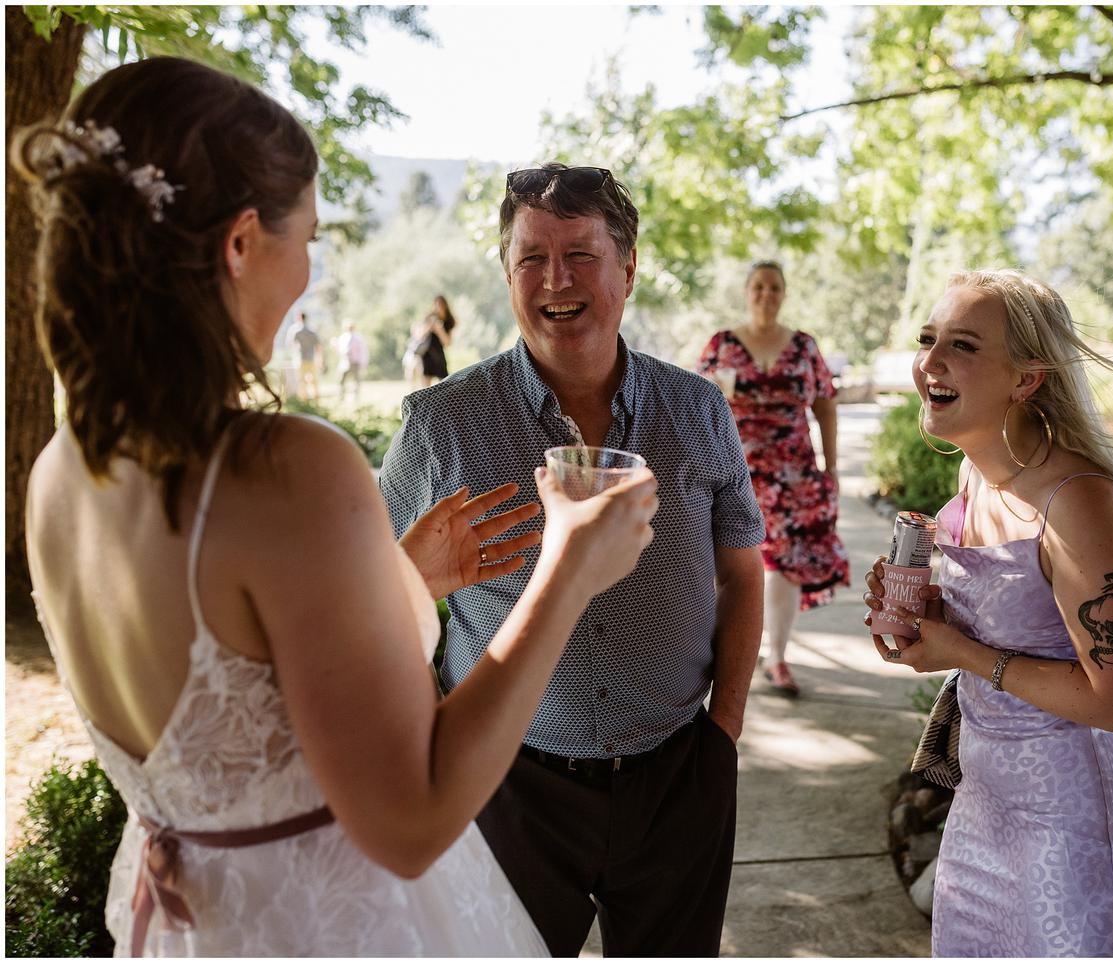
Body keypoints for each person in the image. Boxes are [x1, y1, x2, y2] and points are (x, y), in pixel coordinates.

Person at [15, 57, 659, 957]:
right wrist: (567, 568)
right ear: (240, 243)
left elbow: (232, 695)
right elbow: (411, 818)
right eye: (306, 238)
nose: (310, 273)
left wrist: (401, 578)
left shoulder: (57, 472)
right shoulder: (287, 471)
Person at [379, 162, 765, 957]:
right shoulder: (439, 426)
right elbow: (375, 596)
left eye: (580, 254)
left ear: (628, 266)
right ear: (507, 272)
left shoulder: (697, 411)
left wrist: (721, 733)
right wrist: (429, 731)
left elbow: (741, 572)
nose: (555, 279)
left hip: (676, 777)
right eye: (531, 257)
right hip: (504, 785)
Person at [864, 269, 1113, 956]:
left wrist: (964, 653)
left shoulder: (1081, 501)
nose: (930, 361)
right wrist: (930, 613)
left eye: (964, 345)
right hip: (984, 812)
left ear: (1027, 378)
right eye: (928, 338)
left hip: (1078, 836)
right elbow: (1020, 617)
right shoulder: (977, 474)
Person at [697, 260, 849, 697]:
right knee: (723, 562)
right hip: (732, 469)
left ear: (784, 294)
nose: (767, 294)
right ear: (747, 291)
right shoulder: (721, 344)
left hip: (792, 474)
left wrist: (832, 466)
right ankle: (717, 655)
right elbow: (698, 404)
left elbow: (825, 404)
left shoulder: (804, 346)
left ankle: (776, 658)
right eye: (759, 286)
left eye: (775, 287)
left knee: (785, 566)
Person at [404, 295, 456, 387]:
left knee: (444, 381)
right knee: (425, 384)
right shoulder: (429, 317)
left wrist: (440, 330)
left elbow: (447, 343)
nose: (438, 307)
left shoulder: (449, 321)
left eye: (441, 305)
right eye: (436, 304)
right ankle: (427, 400)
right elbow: (418, 336)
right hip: (427, 354)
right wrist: (429, 327)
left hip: (439, 354)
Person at [285, 311, 323, 402]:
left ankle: (304, 400)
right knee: (314, 380)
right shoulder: (312, 331)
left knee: (301, 380)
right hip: (311, 359)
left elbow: (290, 343)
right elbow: (318, 346)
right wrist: (320, 359)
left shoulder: (296, 331)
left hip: (300, 359)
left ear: (299, 318)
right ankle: (316, 398)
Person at [334, 322, 369, 403]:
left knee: (356, 381)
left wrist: (363, 363)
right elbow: (340, 350)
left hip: (355, 362)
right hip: (345, 362)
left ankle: (356, 399)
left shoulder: (358, 338)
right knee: (341, 380)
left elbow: (363, 351)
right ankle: (341, 398)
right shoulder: (343, 337)